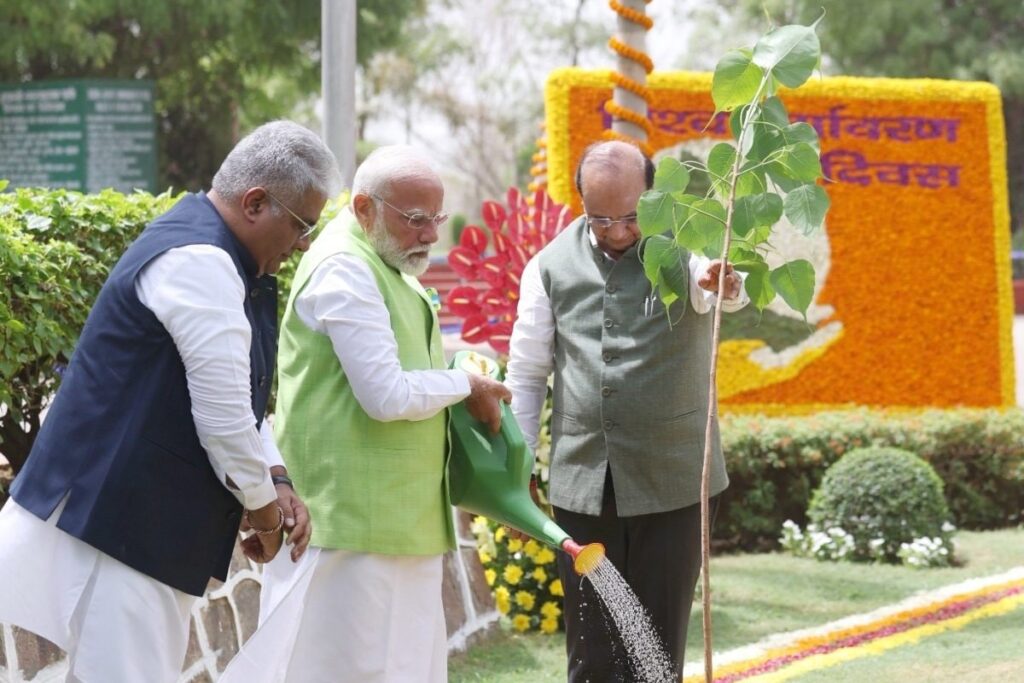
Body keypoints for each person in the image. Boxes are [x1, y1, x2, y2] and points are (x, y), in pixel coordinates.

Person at [0, 120, 340, 682]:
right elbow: (223, 419)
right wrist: (265, 514)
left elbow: (239, 402)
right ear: (256, 203)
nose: (304, 242)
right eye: (302, 224)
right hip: (119, 530)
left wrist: (275, 479)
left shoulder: (216, 253)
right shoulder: (201, 260)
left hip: (132, 527)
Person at [223, 145, 511, 683]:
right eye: (416, 219)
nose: (430, 235)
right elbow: (385, 394)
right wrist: (464, 384)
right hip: (344, 532)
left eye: (437, 219)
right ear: (363, 208)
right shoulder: (344, 267)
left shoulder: (385, 259)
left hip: (395, 525)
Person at [505, 140, 749, 681]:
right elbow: (525, 374)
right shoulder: (548, 266)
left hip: (675, 483)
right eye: (601, 219)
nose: (617, 232)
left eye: (631, 217)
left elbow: (722, 289)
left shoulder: (686, 250)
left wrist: (726, 283)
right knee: (592, 648)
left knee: (657, 651)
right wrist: (517, 471)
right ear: (581, 203)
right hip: (583, 484)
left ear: (652, 195)